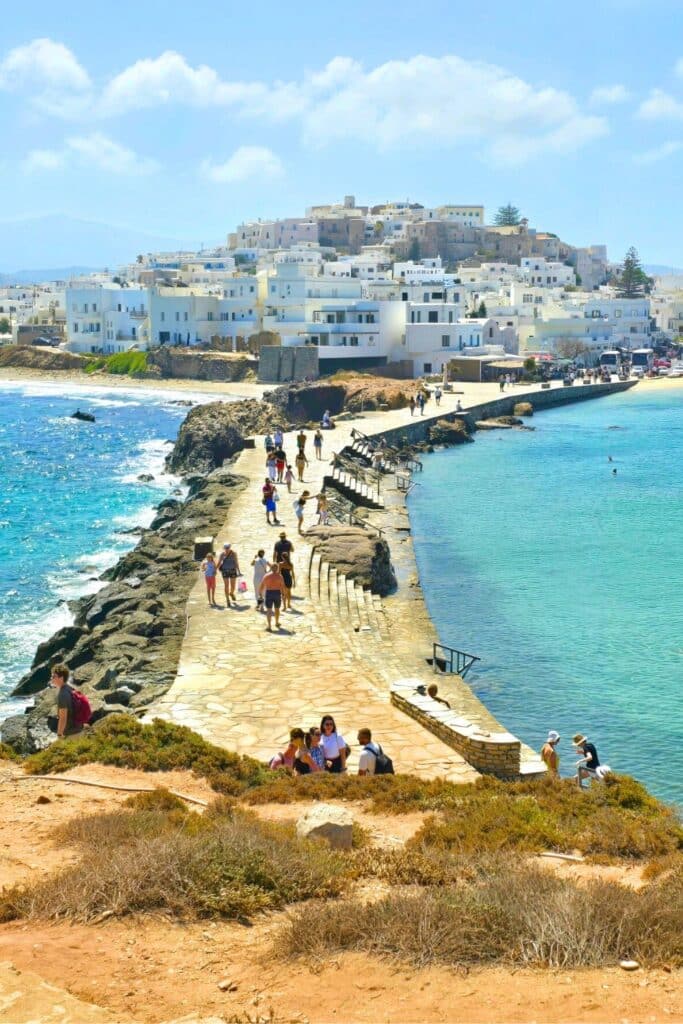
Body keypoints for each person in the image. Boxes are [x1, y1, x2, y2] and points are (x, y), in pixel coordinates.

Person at [50, 663, 83, 739]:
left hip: (71, 733)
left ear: (61, 678)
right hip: (78, 728)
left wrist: (59, 734)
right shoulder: (70, 688)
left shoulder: (62, 694)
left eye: (54, 676)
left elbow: (63, 718)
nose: (51, 678)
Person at [260, 562, 286, 631]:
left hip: (269, 593)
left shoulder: (266, 576)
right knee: (277, 609)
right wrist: (283, 594)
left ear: (271, 568)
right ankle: (277, 622)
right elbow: (282, 586)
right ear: (277, 569)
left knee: (269, 610)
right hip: (277, 593)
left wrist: (260, 594)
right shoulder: (280, 576)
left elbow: (262, 585)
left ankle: (269, 626)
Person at [217, 542, 241, 606]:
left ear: (230, 547)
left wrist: (239, 571)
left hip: (233, 570)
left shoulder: (234, 553)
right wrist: (215, 570)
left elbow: (236, 562)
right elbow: (219, 562)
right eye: (225, 548)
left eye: (228, 548)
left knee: (233, 586)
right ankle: (227, 599)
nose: (227, 549)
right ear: (224, 548)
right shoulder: (222, 554)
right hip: (225, 571)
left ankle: (231, 593)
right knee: (226, 585)